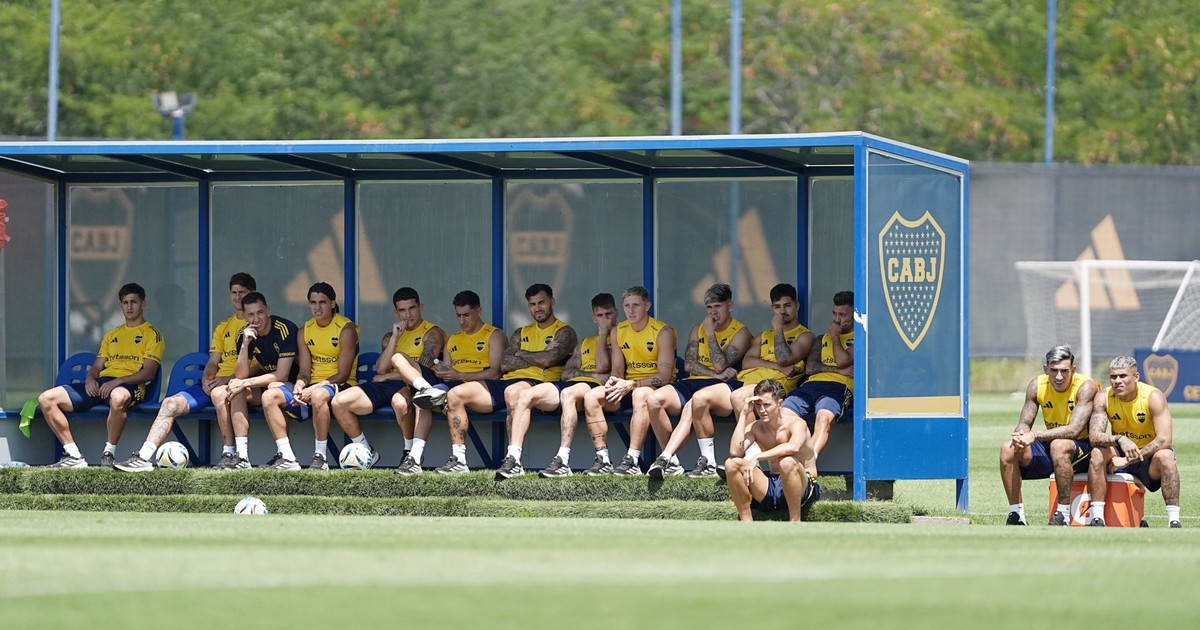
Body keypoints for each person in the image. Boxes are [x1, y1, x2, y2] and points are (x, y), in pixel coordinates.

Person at [650, 283, 814, 478]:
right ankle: (708, 462)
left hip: (772, 387)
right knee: (699, 398)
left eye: (787, 306)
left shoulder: (805, 335)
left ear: (797, 306)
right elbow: (747, 361)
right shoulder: (763, 336)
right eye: (777, 307)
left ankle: (750, 456)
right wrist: (777, 366)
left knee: (738, 397)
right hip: (743, 382)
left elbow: (784, 357)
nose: (782, 311)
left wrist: (778, 330)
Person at [115, 272, 256, 472]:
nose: (237, 297)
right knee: (170, 404)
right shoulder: (223, 327)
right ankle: (143, 457)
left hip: (240, 386)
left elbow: (258, 366)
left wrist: (227, 379)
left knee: (221, 393)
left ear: (252, 293)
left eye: (242, 292)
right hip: (216, 384)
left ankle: (230, 454)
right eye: (234, 292)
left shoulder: (257, 325)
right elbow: (213, 361)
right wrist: (207, 378)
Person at [451, 284, 577, 479]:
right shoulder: (521, 332)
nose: (537, 308)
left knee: (514, 392)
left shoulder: (564, 331)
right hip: (506, 381)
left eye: (542, 303)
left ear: (552, 302)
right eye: (532, 304)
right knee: (455, 394)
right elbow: (505, 363)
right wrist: (538, 355)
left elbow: (549, 360)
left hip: (536, 382)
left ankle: (513, 459)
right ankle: (459, 460)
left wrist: (520, 353)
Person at [40, 282, 165, 468]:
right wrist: (90, 379)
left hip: (130, 386)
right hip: (102, 384)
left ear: (143, 304)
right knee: (46, 399)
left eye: (134, 302)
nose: (129, 307)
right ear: (120, 306)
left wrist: (118, 382)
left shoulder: (152, 334)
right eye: (125, 303)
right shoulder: (112, 334)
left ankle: (108, 454)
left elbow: (148, 373)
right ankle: (73, 455)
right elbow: (97, 366)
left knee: (118, 397)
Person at [330, 287, 445, 468]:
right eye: (402, 310)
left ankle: (408, 452)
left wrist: (386, 377)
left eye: (412, 308)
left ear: (420, 307)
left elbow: (424, 368)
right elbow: (381, 368)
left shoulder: (432, 333)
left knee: (400, 401)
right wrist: (395, 339)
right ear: (395, 312)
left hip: (415, 384)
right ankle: (367, 451)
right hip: (390, 385)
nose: (408, 315)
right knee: (339, 402)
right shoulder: (391, 336)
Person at [504, 293, 616, 479]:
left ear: (616, 314)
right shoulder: (585, 343)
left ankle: (563, 460)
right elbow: (566, 373)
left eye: (608, 315)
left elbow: (604, 367)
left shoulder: (620, 339)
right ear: (593, 318)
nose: (604, 320)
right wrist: (592, 374)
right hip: (571, 384)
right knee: (525, 395)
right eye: (599, 315)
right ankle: (514, 458)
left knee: (568, 394)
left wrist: (603, 335)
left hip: (594, 389)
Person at [646, 283, 752, 478]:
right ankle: (672, 461)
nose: (713, 313)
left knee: (694, 403)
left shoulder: (741, 332)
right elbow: (689, 365)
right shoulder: (697, 329)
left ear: (730, 306)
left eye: (718, 306)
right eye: (709, 308)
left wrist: (711, 333)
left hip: (721, 388)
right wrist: (714, 374)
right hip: (696, 381)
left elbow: (720, 364)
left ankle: (691, 460)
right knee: (653, 400)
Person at [397, 290, 507, 473]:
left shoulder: (494, 335)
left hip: (484, 388)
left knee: (454, 394)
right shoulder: (453, 339)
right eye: (458, 315)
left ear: (479, 311)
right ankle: (414, 459)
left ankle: (459, 460)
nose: (462, 321)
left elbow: (496, 373)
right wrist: (442, 372)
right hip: (453, 385)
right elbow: (448, 370)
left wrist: (459, 375)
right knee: (422, 397)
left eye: (466, 315)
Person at [260, 282, 359, 471]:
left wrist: (311, 389)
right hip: (312, 387)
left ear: (332, 303)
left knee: (318, 395)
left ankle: (320, 457)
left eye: (322, 302)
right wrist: (299, 385)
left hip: (342, 386)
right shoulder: (304, 330)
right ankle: (287, 457)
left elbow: (343, 374)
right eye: (313, 302)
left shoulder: (346, 329)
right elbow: (305, 371)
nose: (317, 307)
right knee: (269, 395)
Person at [999, 345, 1099, 525]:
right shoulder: (1037, 385)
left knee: (1059, 445)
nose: (1059, 376)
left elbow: (1074, 430)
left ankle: (1063, 515)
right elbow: (1025, 421)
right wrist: (1021, 435)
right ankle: (1016, 514)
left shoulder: (1086, 386)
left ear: (1073, 369)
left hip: (1084, 448)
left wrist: (1035, 435)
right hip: (1052, 445)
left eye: (1064, 371)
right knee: (1008, 448)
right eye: (1054, 370)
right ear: (1046, 369)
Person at [581, 285, 676, 475]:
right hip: (628, 385)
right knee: (591, 397)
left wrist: (632, 384)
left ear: (647, 306)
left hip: (655, 388)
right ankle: (603, 459)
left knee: (640, 395)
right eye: (627, 306)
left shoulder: (663, 331)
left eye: (636, 305)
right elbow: (617, 370)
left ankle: (632, 459)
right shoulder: (619, 331)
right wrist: (614, 383)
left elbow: (664, 377)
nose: (631, 311)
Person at [1086, 355, 1181, 528]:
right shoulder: (1103, 397)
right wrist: (1120, 439)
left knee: (1167, 456)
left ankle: (1174, 521)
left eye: (1123, 376)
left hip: (1148, 457)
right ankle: (1097, 518)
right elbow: (1094, 436)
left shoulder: (1153, 396)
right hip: (1120, 453)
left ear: (1136, 377)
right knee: (1097, 453)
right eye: (1113, 377)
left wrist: (1128, 460)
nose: (1117, 381)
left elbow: (1164, 439)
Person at [210, 291, 299, 470]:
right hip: (266, 385)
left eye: (260, 312)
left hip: (294, 385)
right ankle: (241, 457)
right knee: (236, 390)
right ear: (244, 316)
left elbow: (282, 375)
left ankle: (287, 456)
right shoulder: (244, 335)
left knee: (269, 388)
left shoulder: (284, 329)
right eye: (251, 315)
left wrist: (245, 382)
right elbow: (241, 375)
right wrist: (245, 345)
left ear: (268, 310)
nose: (256, 318)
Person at [779, 290, 854, 478]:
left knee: (823, 419)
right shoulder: (821, 339)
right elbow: (811, 368)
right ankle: (785, 462)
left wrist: (835, 337)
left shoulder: (860, 338)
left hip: (839, 388)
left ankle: (807, 462)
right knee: (784, 415)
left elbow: (843, 360)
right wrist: (838, 370)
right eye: (834, 313)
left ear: (854, 314)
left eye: (843, 315)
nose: (837, 320)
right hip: (810, 386)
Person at [724, 379, 818, 522]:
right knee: (731, 464)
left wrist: (757, 457)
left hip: (803, 484)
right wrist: (743, 415)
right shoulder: (756, 427)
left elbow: (793, 447)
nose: (762, 410)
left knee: (786, 461)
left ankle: (795, 521)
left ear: (779, 403)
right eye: (758, 405)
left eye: (767, 405)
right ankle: (746, 523)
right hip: (772, 484)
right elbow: (735, 451)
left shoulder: (796, 423)